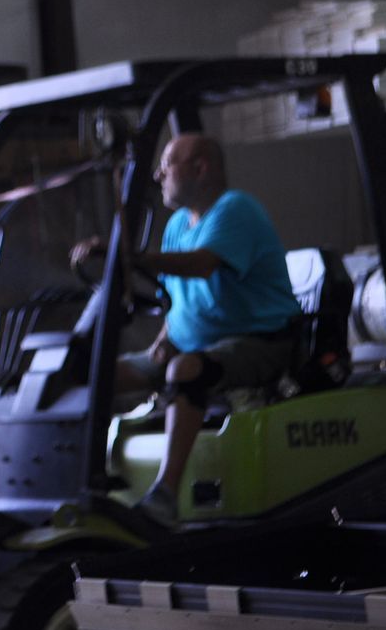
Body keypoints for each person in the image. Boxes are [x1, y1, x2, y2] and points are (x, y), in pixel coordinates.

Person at [71, 132, 300, 522]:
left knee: (186, 369)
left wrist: (131, 257)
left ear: (200, 168)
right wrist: (164, 338)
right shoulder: (178, 224)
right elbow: (180, 298)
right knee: (97, 373)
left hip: (259, 342)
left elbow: (201, 265)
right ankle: (93, 479)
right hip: (189, 345)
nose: (158, 175)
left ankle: (164, 494)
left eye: (166, 165)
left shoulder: (235, 209)